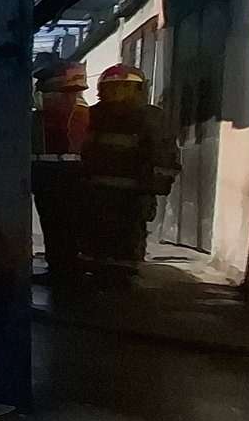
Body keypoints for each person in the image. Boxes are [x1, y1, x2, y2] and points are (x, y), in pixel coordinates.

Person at [79, 63, 179, 275]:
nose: (118, 94)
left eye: (124, 88)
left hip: (117, 195)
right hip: (113, 194)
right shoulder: (93, 115)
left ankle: (112, 277)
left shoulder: (93, 115)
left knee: (111, 244)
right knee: (112, 243)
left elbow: (163, 156)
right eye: (114, 88)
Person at [30, 61, 91, 279]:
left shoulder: (75, 112)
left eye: (44, 89)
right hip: (50, 171)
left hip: (63, 173)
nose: (40, 94)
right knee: (54, 223)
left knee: (60, 224)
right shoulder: (47, 114)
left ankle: (64, 269)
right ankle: (60, 266)